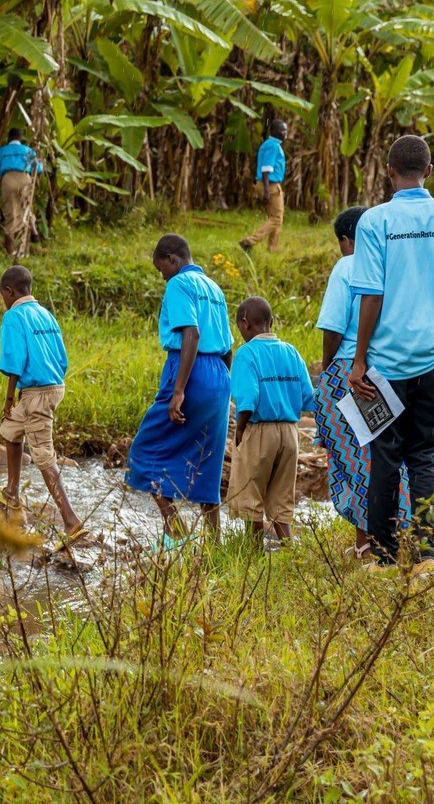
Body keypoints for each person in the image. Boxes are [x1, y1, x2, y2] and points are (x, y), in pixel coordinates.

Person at [349, 135, 434, 578]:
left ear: (388, 172)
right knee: (424, 456)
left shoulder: (374, 222)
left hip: (384, 365)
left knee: (385, 457)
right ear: (429, 171)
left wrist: (358, 360)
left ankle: (381, 554)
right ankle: (426, 555)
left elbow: (371, 296)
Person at [312, 206, 414, 558]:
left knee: (356, 456)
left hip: (353, 371)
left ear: (346, 240)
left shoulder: (348, 264)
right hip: (394, 370)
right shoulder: (397, 263)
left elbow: (334, 326)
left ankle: (366, 542)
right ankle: (402, 534)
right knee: (388, 454)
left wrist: (328, 370)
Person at [125, 234, 234, 547]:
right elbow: (227, 345)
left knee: (144, 452)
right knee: (208, 458)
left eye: (162, 270)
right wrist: (223, 388)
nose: (163, 277)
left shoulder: (179, 285)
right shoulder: (214, 288)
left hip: (189, 370)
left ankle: (174, 527)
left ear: (172, 260)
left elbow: (192, 332)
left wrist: (179, 391)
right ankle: (215, 544)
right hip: (218, 376)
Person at [0, 265, 83, 537]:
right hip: (54, 385)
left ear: (9, 292)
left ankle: (71, 520)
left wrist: (9, 398)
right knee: (10, 431)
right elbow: (62, 355)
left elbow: (14, 362)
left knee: (43, 453)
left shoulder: (13, 317)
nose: (3, 301)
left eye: (2, 296)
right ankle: (11, 490)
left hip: (35, 393)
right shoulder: (45, 314)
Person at [224, 297, 314, 550]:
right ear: (270, 322)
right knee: (281, 497)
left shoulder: (246, 354)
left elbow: (248, 398)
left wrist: (240, 431)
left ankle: (254, 554)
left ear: (244, 323)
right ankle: (290, 553)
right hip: (290, 433)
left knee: (250, 494)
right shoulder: (291, 351)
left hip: (259, 430)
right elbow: (309, 397)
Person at [0, 128, 42, 260]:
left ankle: (9, 252)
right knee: (26, 208)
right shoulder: (28, 151)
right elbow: (38, 168)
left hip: (8, 179)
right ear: (20, 139)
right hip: (25, 179)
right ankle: (34, 232)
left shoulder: (3, 151)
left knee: (11, 213)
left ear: (8, 138)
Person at [239, 120, 289, 254]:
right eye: (283, 131)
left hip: (270, 185)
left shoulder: (272, 145)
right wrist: (267, 190)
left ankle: (272, 249)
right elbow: (266, 169)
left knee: (276, 219)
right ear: (275, 131)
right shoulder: (272, 146)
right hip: (270, 185)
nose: (285, 134)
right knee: (276, 218)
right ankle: (249, 241)